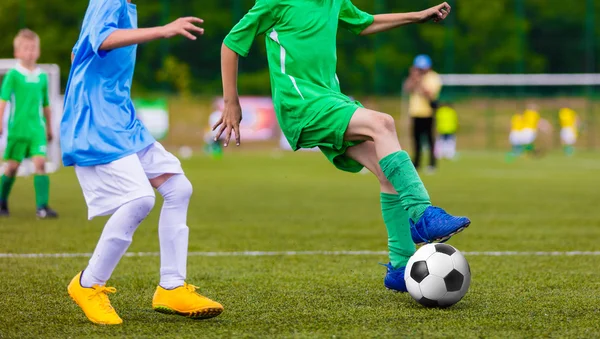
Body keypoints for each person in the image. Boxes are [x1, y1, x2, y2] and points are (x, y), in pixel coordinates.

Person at [215, 0, 470, 294]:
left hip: (329, 100)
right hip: (301, 105)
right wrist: (231, 102)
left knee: (385, 170)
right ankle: (423, 213)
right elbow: (231, 44)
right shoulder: (276, 2)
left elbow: (365, 23)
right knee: (383, 124)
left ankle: (400, 266)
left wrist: (417, 16)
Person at [62, 0, 222, 325]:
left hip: (120, 117)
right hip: (96, 122)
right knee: (140, 199)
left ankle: (171, 287)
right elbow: (101, 38)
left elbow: (83, 47)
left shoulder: (126, 6)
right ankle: (88, 283)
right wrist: (163, 30)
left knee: (179, 188)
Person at [0, 29, 58, 218]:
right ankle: (1, 201)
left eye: (33, 48)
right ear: (17, 52)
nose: (30, 52)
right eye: (26, 48)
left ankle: (42, 207)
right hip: (18, 129)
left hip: (37, 130)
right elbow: (3, 100)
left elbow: (46, 105)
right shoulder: (13, 75)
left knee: (40, 163)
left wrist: (49, 127)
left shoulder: (42, 77)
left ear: (38, 51)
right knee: (12, 167)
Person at [403, 54, 442, 173]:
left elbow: (429, 94)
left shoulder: (434, 77)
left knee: (430, 140)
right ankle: (417, 163)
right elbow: (407, 89)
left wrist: (419, 81)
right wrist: (412, 78)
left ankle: (432, 163)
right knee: (416, 140)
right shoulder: (414, 77)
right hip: (415, 113)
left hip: (428, 113)